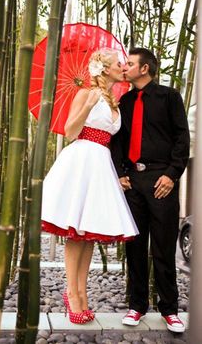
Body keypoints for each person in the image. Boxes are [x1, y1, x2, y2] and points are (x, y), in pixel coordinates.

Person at [41, 48, 139, 324]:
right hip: (82, 159)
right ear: (105, 68)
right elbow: (71, 131)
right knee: (76, 231)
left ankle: (81, 292)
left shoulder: (115, 100)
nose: (123, 67)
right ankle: (72, 292)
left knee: (90, 234)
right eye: (118, 64)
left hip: (102, 163)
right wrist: (86, 105)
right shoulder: (85, 93)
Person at [111, 47, 190, 333]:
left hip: (161, 180)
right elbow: (117, 140)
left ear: (144, 69)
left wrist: (172, 174)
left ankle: (170, 309)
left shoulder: (170, 97)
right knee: (134, 244)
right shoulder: (125, 100)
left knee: (164, 245)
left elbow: (182, 137)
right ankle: (137, 305)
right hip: (133, 180)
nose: (124, 68)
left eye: (129, 64)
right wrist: (120, 174)